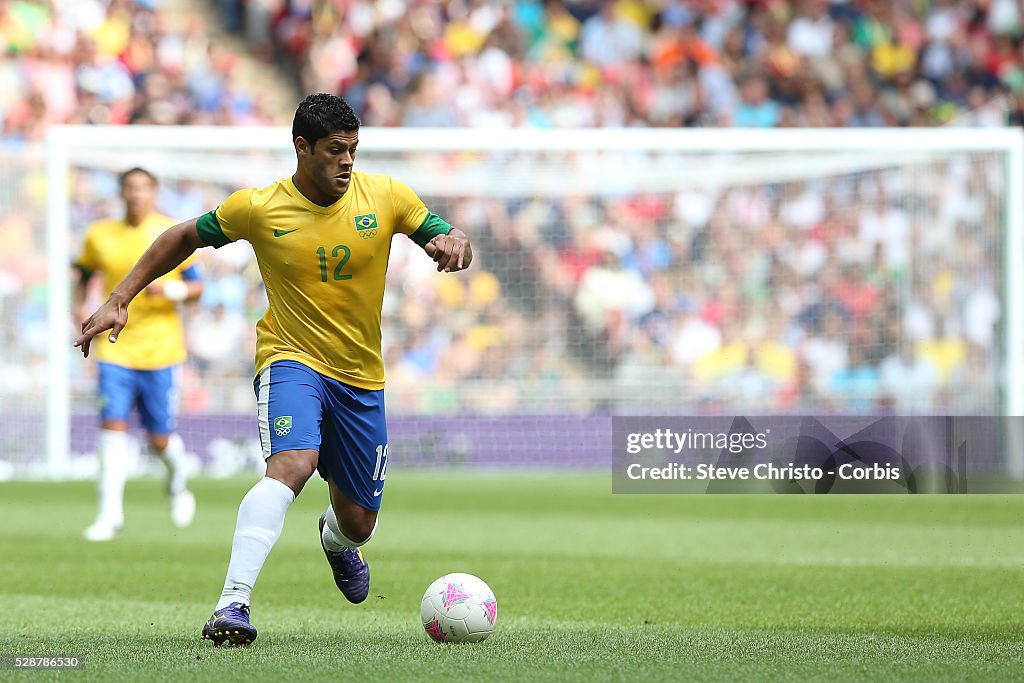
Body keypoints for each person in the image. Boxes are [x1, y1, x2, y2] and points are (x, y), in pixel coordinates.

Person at [74, 94, 473, 646]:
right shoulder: (260, 207)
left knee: (359, 522)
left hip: (362, 378)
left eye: (354, 150)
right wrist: (120, 296)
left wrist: (452, 241)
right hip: (289, 358)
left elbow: (441, 233)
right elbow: (181, 236)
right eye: (336, 150)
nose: (348, 161)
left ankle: (335, 543)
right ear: (302, 147)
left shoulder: (386, 196)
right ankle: (232, 604)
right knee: (291, 464)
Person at [74, 167, 204, 542]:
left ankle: (177, 482)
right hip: (115, 349)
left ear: (154, 192)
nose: (136, 195)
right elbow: (83, 274)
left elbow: (197, 289)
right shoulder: (100, 235)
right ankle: (108, 515)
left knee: (159, 438)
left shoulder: (172, 234)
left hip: (161, 350)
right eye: (130, 188)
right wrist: (78, 309)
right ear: (121, 193)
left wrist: (172, 293)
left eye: (143, 188)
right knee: (112, 425)